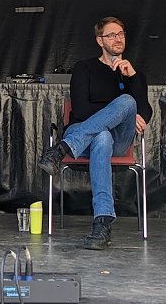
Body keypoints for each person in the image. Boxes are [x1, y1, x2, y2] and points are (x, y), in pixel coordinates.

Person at [38, 16, 153, 250]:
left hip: (117, 141)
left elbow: (144, 109)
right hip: (87, 140)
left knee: (127, 101)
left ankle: (62, 149)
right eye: (111, 35)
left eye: (121, 34)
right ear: (100, 40)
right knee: (103, 135)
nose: (118, 39)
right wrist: (114, 114)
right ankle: (102, 222)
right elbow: (80, 109)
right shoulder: (84, 68)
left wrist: (132, 79)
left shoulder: (133, 74)